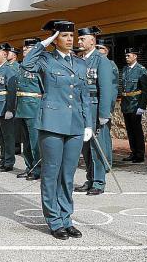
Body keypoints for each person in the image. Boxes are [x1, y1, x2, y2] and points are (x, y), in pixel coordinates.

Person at [21, 20, 92, 240]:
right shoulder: (45, 60)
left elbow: (84, 97)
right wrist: (45, 43)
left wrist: (89, 123)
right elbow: (26, 64)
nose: (70, 39)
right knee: (51, 173)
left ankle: (66, 218)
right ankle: (54, 220)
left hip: (75, 125)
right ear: (55, 39)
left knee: (68, 175)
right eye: (64, 36)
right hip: (51, 122)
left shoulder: (80, 64)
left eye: (72, 36)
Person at [74, 26, 113, 195]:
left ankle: (99, 181)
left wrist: (104, 113)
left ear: (92, 40)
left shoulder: (101, 60)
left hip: (95, 107)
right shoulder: (80, 60)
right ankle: (90, 178)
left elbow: (106, 88)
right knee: (85, 146)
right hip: (82, 107)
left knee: (97, 146)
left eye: (83, 39)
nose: (79, 41)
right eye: (79, 39)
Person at [15, 38, 43, 181]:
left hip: (34, 107)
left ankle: (38, 169)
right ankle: (29, 166)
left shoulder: (39, 66)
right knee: (25, 142)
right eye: (24, 48)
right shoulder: (21, 66)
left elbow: (46, 90)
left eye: (28, 48)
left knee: (35, 142)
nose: (24, 50)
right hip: (21, 107)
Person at [0, 43, 17, 172]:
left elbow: (11, 91)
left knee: (8, 136)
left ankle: (9, 162)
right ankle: (3, 159)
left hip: (4, 106)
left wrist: (10, 109)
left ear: (5, 54)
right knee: (1, 136)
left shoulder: (9, 69)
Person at [120, 48, 147, 164]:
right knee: (130, 130)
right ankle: (133, 152)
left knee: (137, 129)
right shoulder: (125, 69)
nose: (126, 57)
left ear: (135, 56)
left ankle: (140, 154)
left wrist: (141, 106)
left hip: (136, 104)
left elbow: (145, 90)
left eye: (128, 55)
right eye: (126, 56)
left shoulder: (141, 70)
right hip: (126, 104)